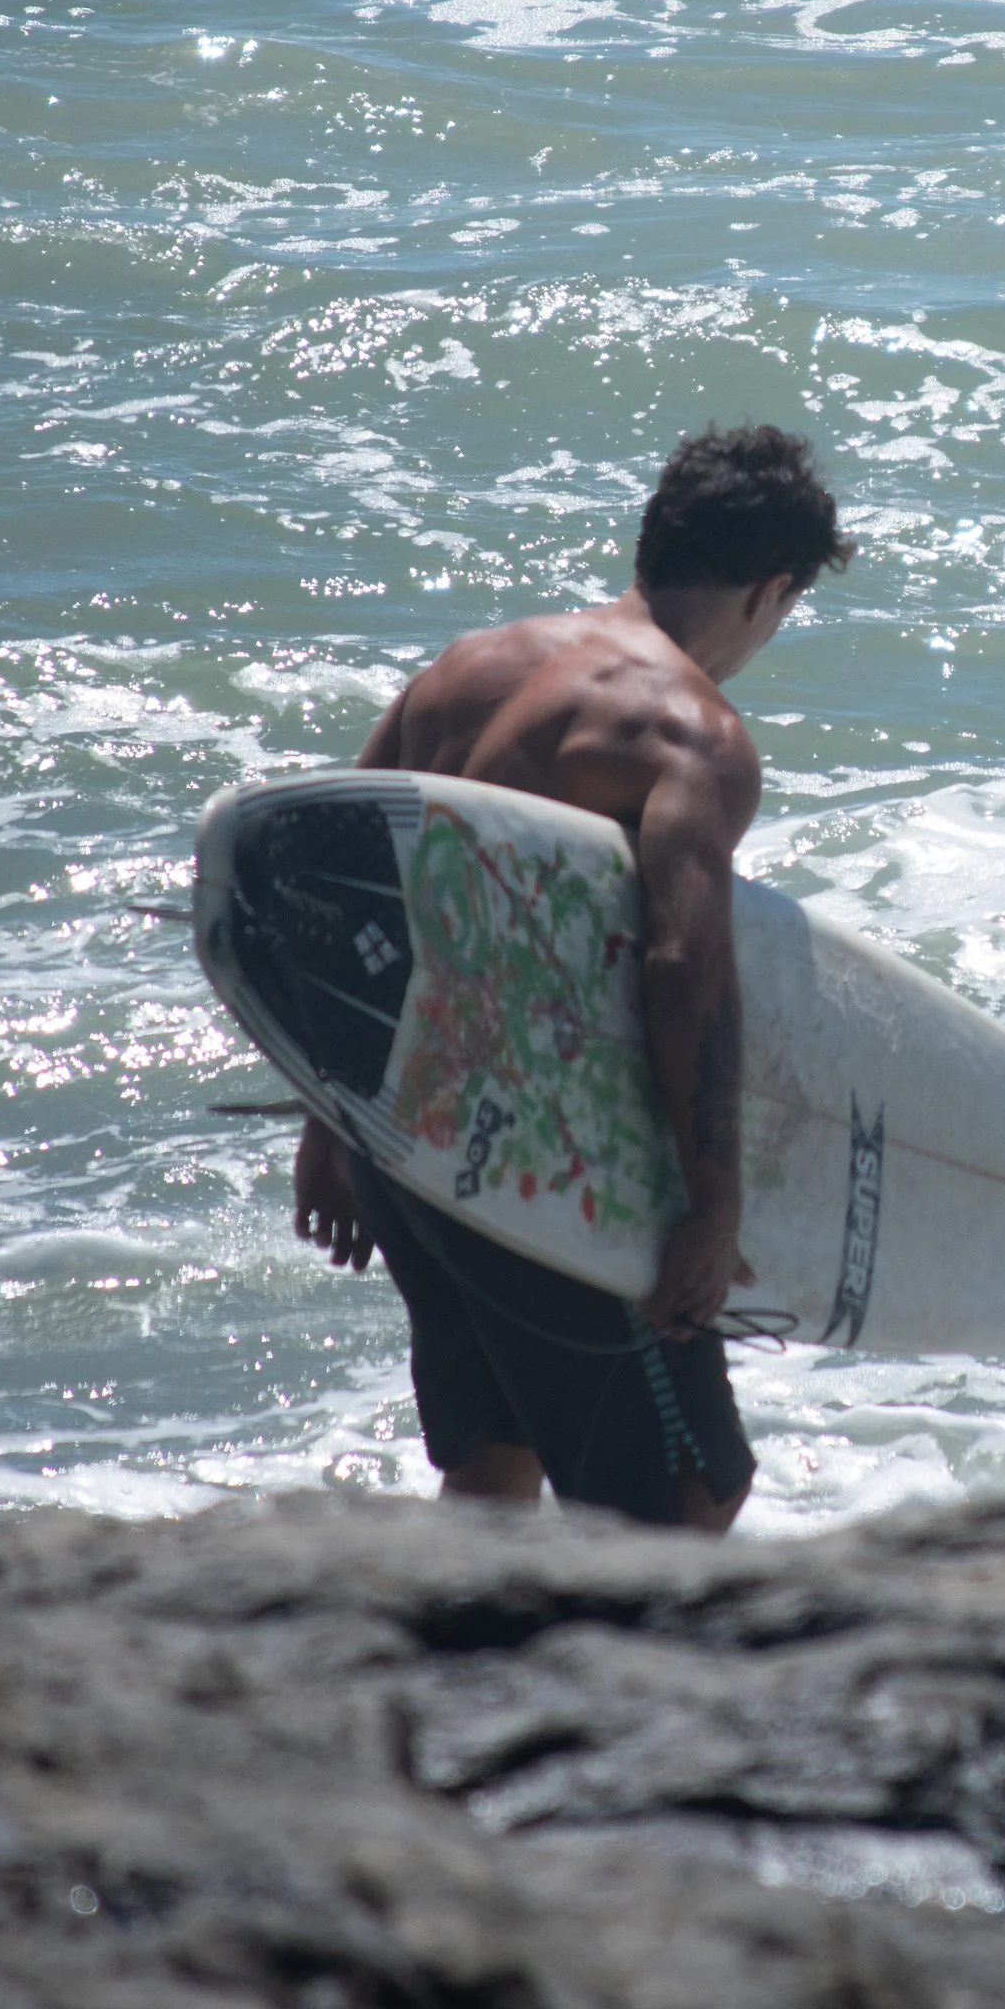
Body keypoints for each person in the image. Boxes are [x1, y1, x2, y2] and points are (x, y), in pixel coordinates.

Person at [290, 424, 850, 1530]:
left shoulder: (462, 669)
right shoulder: (688, 731)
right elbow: (684, 964)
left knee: (495, 1465)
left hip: (409, 1142)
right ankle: (611, 1701)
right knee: (687, 1496)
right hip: (539, 1171)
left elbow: (331, 889)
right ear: (771, 589)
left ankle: (444, 1683)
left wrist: (329, 1129)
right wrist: (712, 1201)